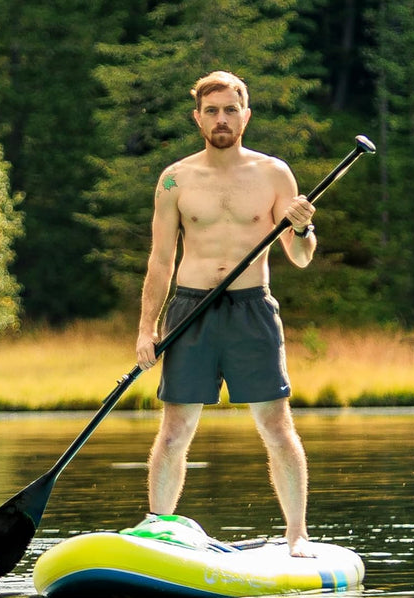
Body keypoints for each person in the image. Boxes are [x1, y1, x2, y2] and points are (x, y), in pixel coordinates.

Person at [135, 70, 317, 557]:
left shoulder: (274, 174)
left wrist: (301, 230)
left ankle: (297, 535)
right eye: (212, 111)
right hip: (189, 311)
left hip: (251, 309)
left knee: (277, 426)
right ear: (198, 118)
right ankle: (158, 530)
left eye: (230, 110)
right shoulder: (175, 178)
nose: (221, 119)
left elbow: (300, 256)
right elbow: (160, 261)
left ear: (246, 116)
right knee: (174, 429)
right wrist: (145, 330)